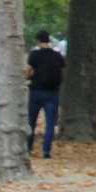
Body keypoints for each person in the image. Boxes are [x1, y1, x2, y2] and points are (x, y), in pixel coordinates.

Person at [26, 28, 67, 158]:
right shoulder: (57, 55)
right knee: (50, 124)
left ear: (38, 40)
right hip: (53, 92)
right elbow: (64, 73)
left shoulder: (34, 55)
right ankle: (46, 151)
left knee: (31, 122)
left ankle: (28, 148)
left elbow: (27, 73)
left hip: (36, 91)